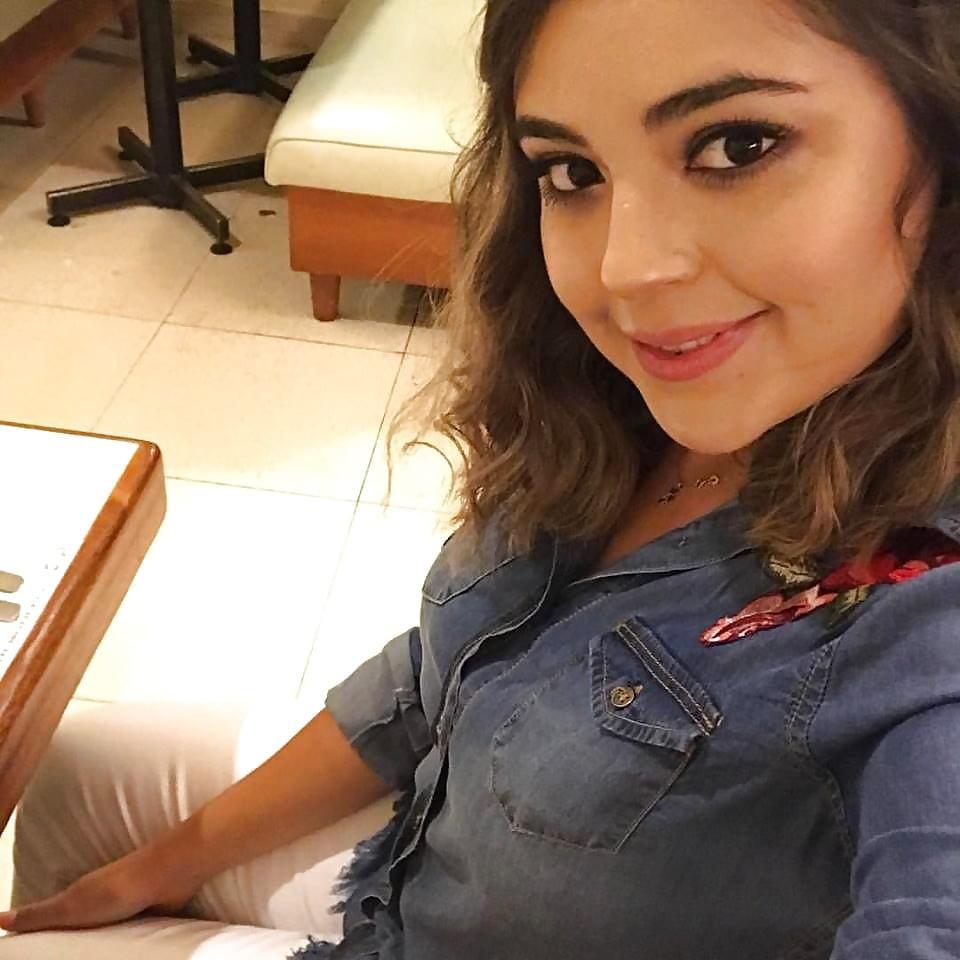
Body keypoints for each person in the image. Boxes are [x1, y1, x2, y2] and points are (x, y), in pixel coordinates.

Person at [2, 0, 960, 956]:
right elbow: (442, 671)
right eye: (572, 172)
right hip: (410, 870)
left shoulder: (923, 619)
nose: (623, 270)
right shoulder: (614, 406)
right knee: (68, 775)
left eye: (736, 146)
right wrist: (152, 874)